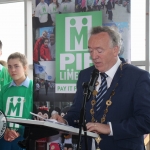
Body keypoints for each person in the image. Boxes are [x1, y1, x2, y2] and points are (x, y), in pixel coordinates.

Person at [51, 26, 150, 150]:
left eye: (99, 50)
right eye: (91, 51)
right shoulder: (85, 75)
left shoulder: (138, 77)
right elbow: (77, 111)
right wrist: (64, 121)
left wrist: (110, 128)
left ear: (115, 50)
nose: (94, 56)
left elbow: (146, 120)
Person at [0, 52, 33, 150]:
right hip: (4, 139)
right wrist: (5, 131)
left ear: (25, 67)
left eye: (16, 66)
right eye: (9, 67)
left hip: (25, 139)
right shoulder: (4, 89)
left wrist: (20, 132)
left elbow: (34, 116)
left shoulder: (33, 88)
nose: (12, 70)